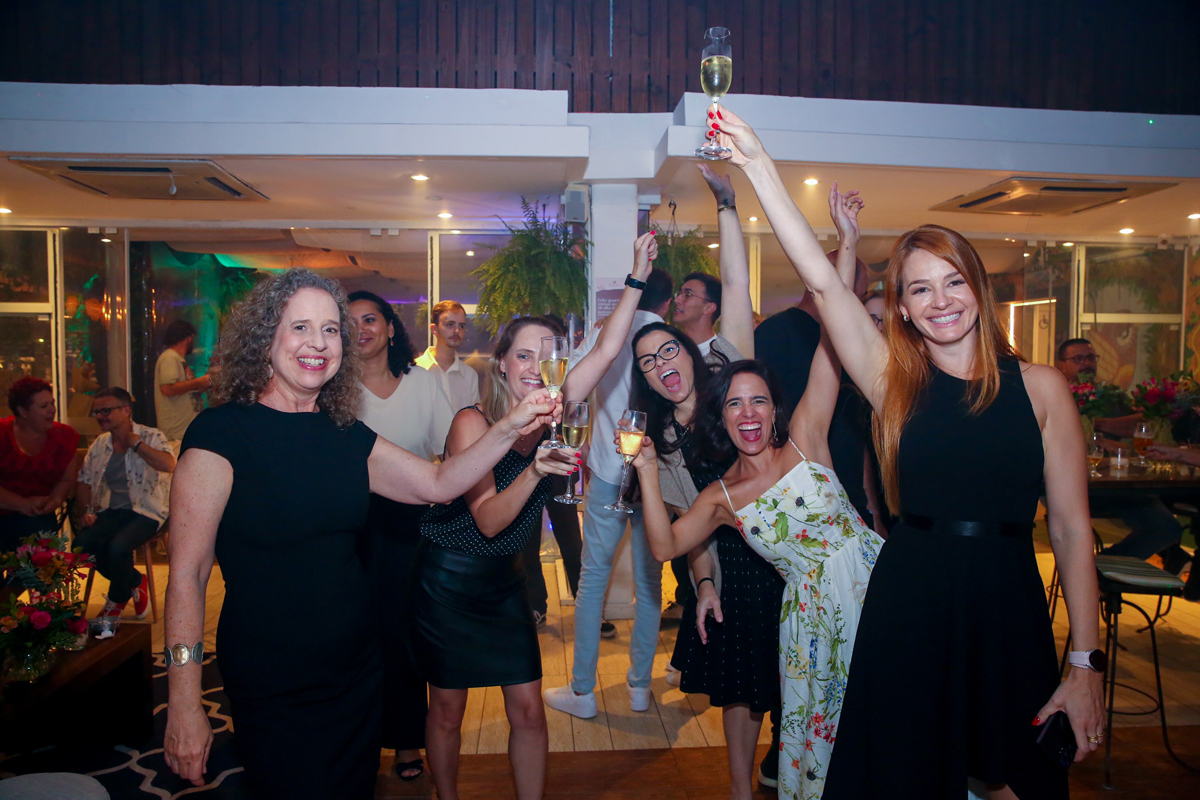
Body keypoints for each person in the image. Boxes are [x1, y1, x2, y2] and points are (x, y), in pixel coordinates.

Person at [711, 107, 1104, 798]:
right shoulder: (891, 380)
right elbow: (823, 282)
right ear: (901, 306)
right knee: (905, 778)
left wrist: (1085, 661)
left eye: (953, 281)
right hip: (911, 599)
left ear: (978, 288)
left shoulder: (1042, 388)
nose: (939, 300)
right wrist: (756, 163)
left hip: (1006, 605)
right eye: (920, 288)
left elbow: (1072, 530)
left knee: (1020, 780)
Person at [163, 268, 559, 799]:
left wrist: (510, 425)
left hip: (355, 668)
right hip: (272, 672)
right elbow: (187, 575)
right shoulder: (220, 433)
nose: (318, 343)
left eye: (331, 330)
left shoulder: (345, 433)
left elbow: (440, 483)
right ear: (265, 337)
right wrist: (184, 701)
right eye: (300, 327)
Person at [414, 234, 657, 800]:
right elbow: (488, 522)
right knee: (447, 710)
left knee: (528, 710)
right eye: (524, 354)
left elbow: (608, 349)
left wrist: (637, 278)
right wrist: (534, 472)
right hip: (449, 581)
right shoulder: (473, 423)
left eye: (549, 354)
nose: (537, 365)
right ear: (502, 362)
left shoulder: (555, 406)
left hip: (506, 583)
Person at [630, 163, 783, 795]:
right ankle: (742, 789)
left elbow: (738, 288)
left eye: (668, 349)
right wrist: (705, 585)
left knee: (794, 679)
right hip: (730, 566)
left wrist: (727, 204)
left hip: (785, 549)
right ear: (646, 379)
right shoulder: (664, 443)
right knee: (740, 691)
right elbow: (689, 535)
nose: (661, 363)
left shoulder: (728, 379)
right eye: (647, 361)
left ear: (689, 353)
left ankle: (794, 769)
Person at [541, 260, 675, 721]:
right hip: (654, 475)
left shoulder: (606, 332)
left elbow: (568, 387)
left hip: (606, 471)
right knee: (649, 583)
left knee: (593, 579)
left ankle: (582, 689)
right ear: (667, 302)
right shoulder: (671, 342)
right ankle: (639, 688)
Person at [348, 289, 453, 782]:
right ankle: (358, 741)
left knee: (405, 634)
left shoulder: (422, 382)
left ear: (390, 328)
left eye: (370, 319)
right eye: (349, 323)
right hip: (350, 524)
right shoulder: (332, 388)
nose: (360, 330)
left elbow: (448, 449)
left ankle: (408, 740)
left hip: (412, 522)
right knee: (355, 635)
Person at [1056, 337, 1190, 574]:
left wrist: (1098, 424)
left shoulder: (1109, 394)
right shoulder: (1054, 395)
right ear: (1062, 365)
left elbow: (1140, 423)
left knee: (1167, 527)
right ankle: (1098, 573)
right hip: (1069, 488)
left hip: (1119, 486)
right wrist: (1095, 438)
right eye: (1078, 359)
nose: (1086, 363)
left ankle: (1099, 570)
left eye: (1090, 358)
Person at [76, 387, 174, 636]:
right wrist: (87, 511)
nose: (100, 416)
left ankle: (116, 601)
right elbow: (84, 480)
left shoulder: (150, 435)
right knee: (80, 547)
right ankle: (134, 581)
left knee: (118, 548)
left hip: (148, 511)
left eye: (106, 410)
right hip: (112, 510)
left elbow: (168, 464)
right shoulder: (100, 444)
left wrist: (137, 444)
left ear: (126, 410)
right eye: (97, 412)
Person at [0, 377, 79, 552]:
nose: (52, 410)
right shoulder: (2, 433)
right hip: (3, 509)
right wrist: (22, 503)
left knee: (41, 538)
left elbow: (66, 479)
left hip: (39, 514)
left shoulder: (65, 436)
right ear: (22, 411)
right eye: (44, 406)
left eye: (52, 403)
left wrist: (56, 500)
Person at [416, 300, 482, 415]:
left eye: (461, 326)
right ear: (434, 329)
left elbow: (474, 418)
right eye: (450, 324)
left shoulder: (469, 375)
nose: (457, 331)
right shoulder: (415, 369)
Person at [154, 320, 211, 445]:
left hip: (186, 432)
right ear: (188, 338)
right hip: (176, 435)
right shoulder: (169, 357)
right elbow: (167, 388)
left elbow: (187, 391)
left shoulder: (179, 359)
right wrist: (198, 381)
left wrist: (204, 384)